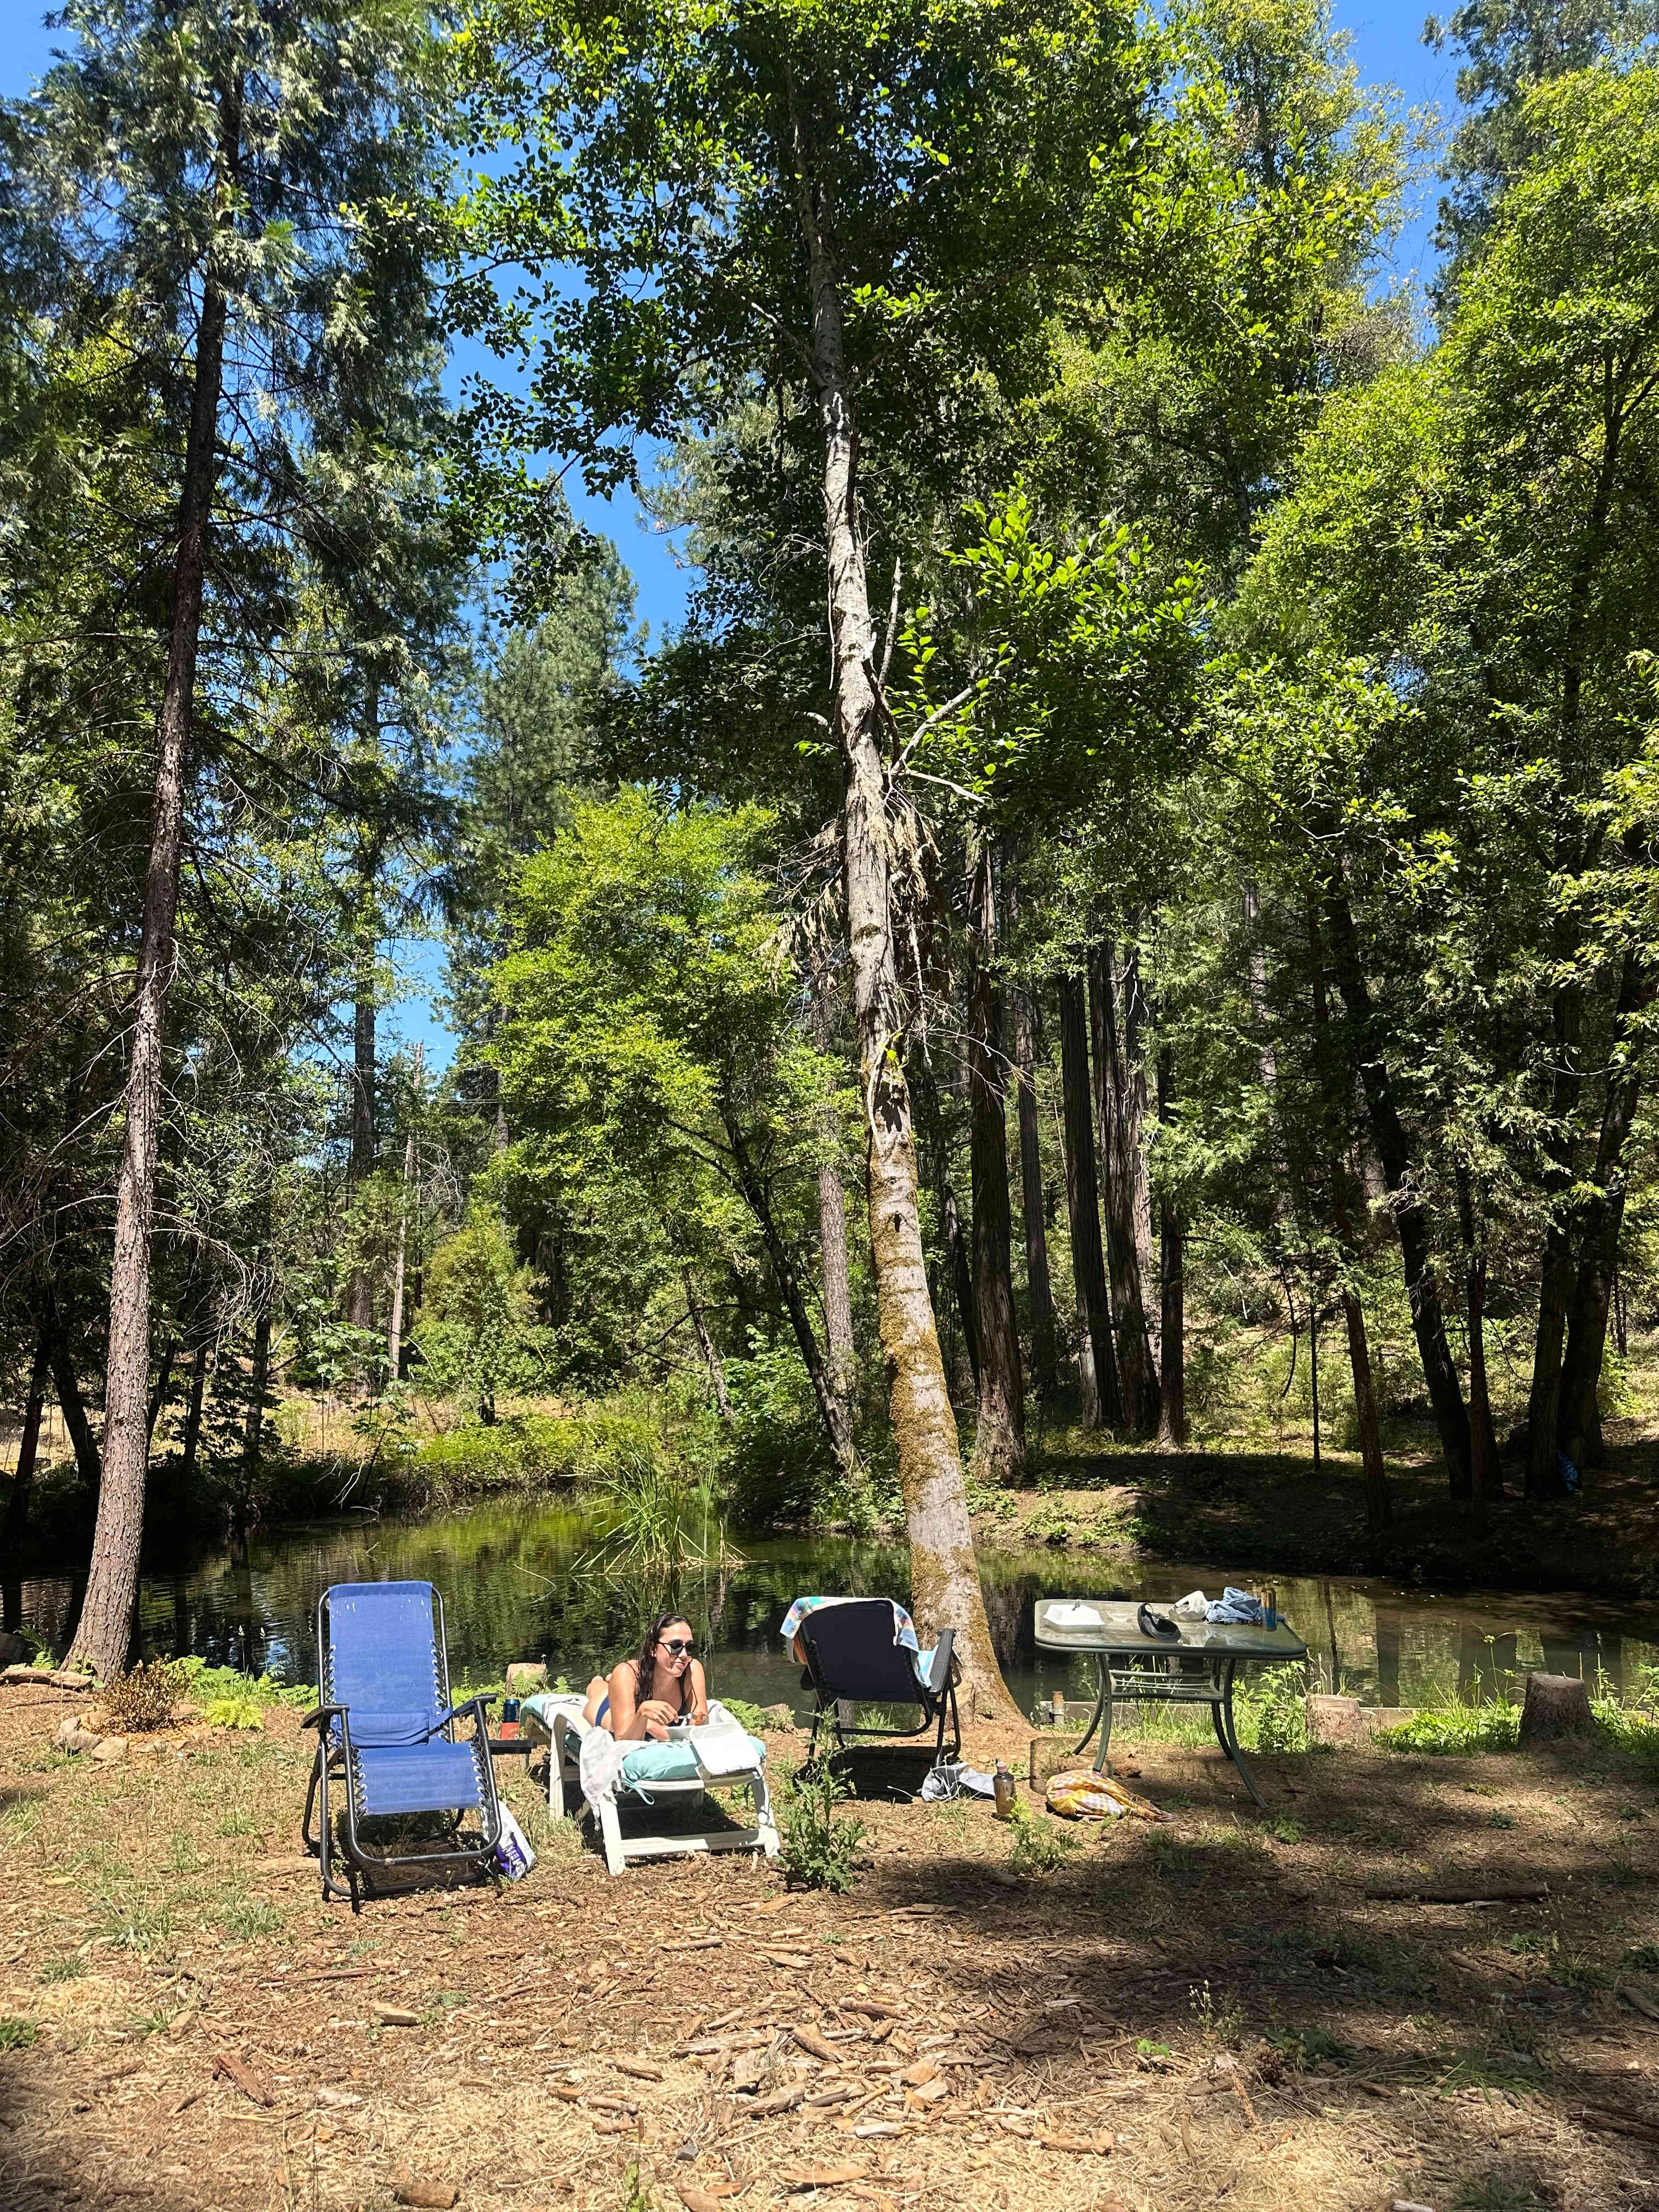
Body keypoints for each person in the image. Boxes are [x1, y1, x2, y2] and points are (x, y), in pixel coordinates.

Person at [584, 1612, 709, 1741]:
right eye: (675, 1646)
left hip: (632, 1687)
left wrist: (654, 1727)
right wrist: (642, 1717)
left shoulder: (692, 1669)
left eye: (689, 1647)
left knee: (616, 1684)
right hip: (606, 1709)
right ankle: (599, 1682)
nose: (684, 1655)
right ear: (653, 1649)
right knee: (597, 1690)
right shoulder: (627, 1673)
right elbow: (624, 1743)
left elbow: (702, 1724)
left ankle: (611, 1682)